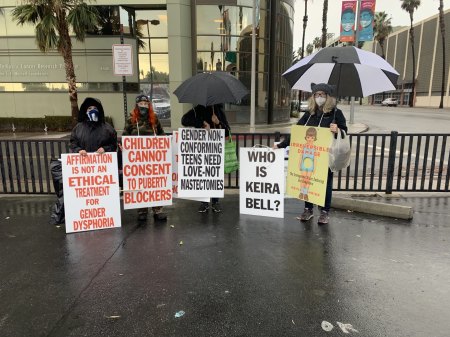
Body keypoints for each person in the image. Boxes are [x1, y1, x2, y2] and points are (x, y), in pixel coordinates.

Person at [274, 83, 347, 225]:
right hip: (310, 156)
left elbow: (345, 131)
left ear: (328, 96)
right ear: (313, 97)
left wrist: (337, 129)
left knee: (325, 184)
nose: (319, 97)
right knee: (307, 182)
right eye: (317, 94)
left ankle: (325, 211)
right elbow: (297, 133)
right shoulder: (309, 114)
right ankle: (308, 209)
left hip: (326, 157)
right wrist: (281, 145)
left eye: (322, 94)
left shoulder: (336, 113)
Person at [122, 94, 167, 222]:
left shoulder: (154, 119)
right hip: (137, 160)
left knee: (154, 183)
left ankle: (158, 210)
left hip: (153, 159)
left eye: (146, 104)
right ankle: (142, 210)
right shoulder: (131, 119)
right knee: (140, 183)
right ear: (137, 105)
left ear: (149, 105)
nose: (143, 106)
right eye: (141, 104)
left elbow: (161, 134)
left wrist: (164, 143)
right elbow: (125, 136)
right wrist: (123, 146)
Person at [181, 104, 230, 213]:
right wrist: (202, 123)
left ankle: (216, 202)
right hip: (202, 150)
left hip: (216, 150)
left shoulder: (219, 111)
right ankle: (204, 203)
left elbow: (227, 131)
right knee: (203, 175)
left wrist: (218, 123)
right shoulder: (197, 109)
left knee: (215, 176)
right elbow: (184, 120)